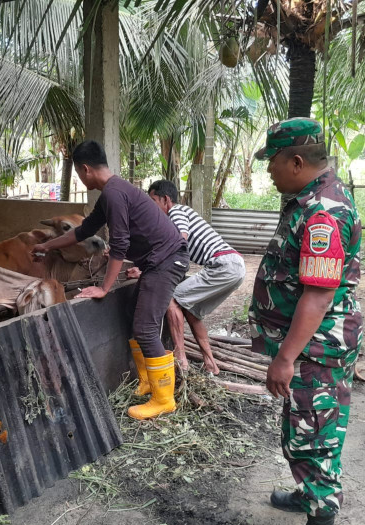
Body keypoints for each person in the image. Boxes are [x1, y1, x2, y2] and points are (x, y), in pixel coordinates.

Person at [248, 118, 362, 525]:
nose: (269, 170)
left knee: (316, 435)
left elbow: (318, 294)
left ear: (296, 161)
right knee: (305, 424)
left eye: (273, 161)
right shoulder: (309, 199)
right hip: (312, 345)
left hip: (316, 347)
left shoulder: (323, 212)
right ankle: (306, 494)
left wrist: (286, 357)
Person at [31, 140, 189, 420]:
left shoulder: (115, 194)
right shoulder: (110, 194)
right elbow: (83, 232)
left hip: (166, 262)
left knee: (146, 327)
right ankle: (147, 381)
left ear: (85, 169)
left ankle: (164, 399)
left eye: (79, 173)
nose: (80, 177)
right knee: (133, 313)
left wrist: (104, 287)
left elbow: (119, 243)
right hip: (157, 262)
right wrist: (49, 246)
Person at [126, 179, 245, 374]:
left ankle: (181, 360)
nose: (151, 207)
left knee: (172, 300)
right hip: (233, 266)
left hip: (223, 265)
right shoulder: (181, 213)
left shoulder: (176, 212)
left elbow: (180, 241)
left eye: (153, 200)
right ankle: (211, 364)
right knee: (191, 311)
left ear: (166, 199)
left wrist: (144, 269)